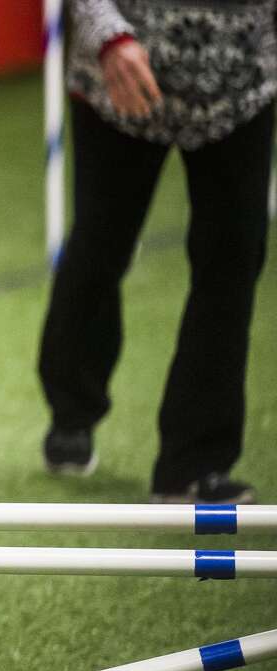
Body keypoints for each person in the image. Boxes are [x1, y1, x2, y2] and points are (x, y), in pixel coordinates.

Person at [38, 0, 276, 503]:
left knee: (233, 260)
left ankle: (194, 463)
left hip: (242, 85)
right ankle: (72, 406)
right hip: (119, 74)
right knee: (101, 244)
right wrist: (106, 35)